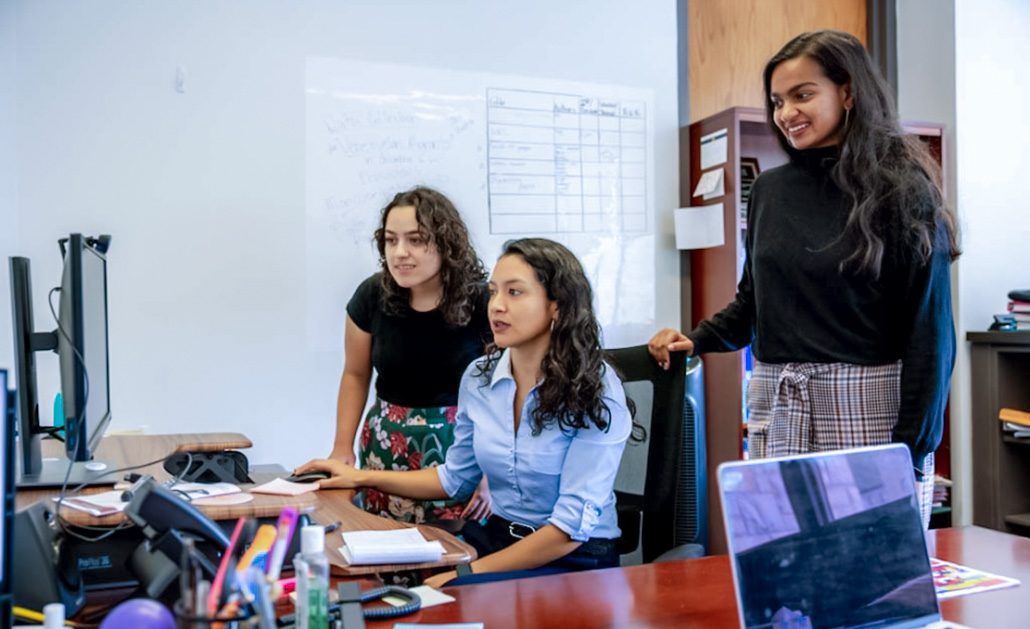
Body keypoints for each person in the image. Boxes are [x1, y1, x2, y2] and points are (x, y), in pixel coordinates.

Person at [649, 30, 959, 528]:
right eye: (776, 101)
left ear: (849, 93)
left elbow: (932, 333)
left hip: (870, 413)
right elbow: (755, 303)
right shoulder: (769, 190)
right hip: (778, 404)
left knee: (867, 587)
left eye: (802, 95)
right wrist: (698, 338)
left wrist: (912, 449)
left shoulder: (903, 190)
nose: (785, 113)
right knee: (782, 583)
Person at [298, 238, 632, 588]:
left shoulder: (596, 389)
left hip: (572, 558)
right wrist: (362, 477)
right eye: (494, 292)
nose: (496, 306)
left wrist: (462, 574)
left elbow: (569, 531)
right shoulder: (479, 377)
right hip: (494, 538)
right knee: (369, 582)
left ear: (557, 307)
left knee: (445, 597)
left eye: (514, 293)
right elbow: (455, 478)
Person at [329, 187, 492, 525]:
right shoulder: (372, 294)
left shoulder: (484, 302)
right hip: (386, 447)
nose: (400, 252)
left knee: (453, 559)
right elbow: (356, 374)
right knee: (384, 553)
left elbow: (509, 395)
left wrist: (495, 474)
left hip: (461, 450)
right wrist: (342, 448)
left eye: (416, 240)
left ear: (447, 243)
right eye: (391, 241)